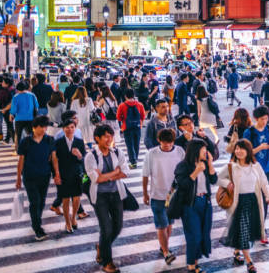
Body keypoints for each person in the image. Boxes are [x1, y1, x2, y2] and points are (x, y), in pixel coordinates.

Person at [219, 139, 269, 272]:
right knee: (243, 231)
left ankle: (237, 251)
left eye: (241, 148)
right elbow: (218, 178)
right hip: (238, 203)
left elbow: (264, 182)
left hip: (253, 202)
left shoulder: (256, 166)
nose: (238, 151)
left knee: (246, 230)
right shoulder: (231, 167)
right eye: (236, 149)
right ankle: (249, 262)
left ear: (248, 151)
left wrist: (268, 196)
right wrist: (227, 184)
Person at [84, 124, 131, 273]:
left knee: (118, 226)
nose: (109, 139)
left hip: (116, 193)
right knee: (106, 228)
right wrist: (114, 173)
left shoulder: (117, 152)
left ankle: (102, 247)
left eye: (111, 136)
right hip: (100, 197)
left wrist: (106, 176)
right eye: (105, 136)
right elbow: (96, 179)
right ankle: (107, 262)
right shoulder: (91, 156)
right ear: (97, 138)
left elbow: (125, 172)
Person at [142, 128, 183, 265]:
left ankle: (163, 246)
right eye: (165, 142)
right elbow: (145, 174)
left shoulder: (179, 151)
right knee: (161, 225)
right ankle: (166, 252)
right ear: (159, 140)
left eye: (170, 142)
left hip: (174, 195)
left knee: (169, 224)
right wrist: (145, 193)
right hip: (157, 195)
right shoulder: (152, 154)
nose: (167, 145)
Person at [176, 138, 216, 272]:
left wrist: (210, 164)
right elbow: (183, 185)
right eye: (204, 149)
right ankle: (191, 265)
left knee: (203, 234)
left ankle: (196, 263)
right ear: (196, 150)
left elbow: (214, 180)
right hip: (190, 205)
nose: (206, 151)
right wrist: (196, 171)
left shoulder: (205, 164)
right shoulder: (183, 166)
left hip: (205, 202)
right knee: (194, 235)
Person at [16, 115, 56, 241]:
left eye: (45, 127)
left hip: (45, 175)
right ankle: (37, 228)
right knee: (35, 201)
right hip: (29, 176)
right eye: (41, 127)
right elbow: (21, 160)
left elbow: (54, 158)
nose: (43, 129)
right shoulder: (26, 141)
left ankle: (36, 221)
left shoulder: (49, 140)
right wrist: (18, 178)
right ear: (34, 128)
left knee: (42, 201)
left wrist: (57, 174)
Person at [53, 117, 86, 235]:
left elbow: (84, 158)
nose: (70, 129)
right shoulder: (58, 142)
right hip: (63, 173)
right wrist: (56, 174)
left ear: (75, 128)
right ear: (63, 129)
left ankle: (73, 218)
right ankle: (67, 222)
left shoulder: (79, 141)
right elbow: (54, 159)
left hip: (77, 173)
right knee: (65, 199)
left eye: (72, 127)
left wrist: (79, 155)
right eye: (67, 127)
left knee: (77, 198)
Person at [115, 89, 146, 168]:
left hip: (127, 127)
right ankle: (135, 159)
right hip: (137, 127)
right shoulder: (139, 104)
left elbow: (118, 117)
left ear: (125, 96)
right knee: (136, 144)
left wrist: (124, 119)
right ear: (134, 95)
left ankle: (133, 162)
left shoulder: (122, 105)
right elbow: (143, 116)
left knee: (130, 145)